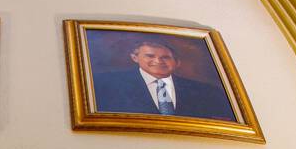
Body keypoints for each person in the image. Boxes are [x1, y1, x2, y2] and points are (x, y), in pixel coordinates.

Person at [92, 38, 236, 121]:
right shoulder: (106, 84)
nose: (158, 61)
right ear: (135, 58)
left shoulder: (206, 91)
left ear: (177, 62)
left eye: (165, 57)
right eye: (150, 56)